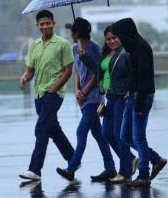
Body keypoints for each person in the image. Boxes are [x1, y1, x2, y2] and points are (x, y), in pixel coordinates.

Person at [56, 17, 117, 182]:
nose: (71, 35)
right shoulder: (75, 48)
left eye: (72, 32)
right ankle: (110, 168)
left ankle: (72, 167)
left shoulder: (95, 48)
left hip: (95, 99)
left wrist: (85, 90)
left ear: (77, 32)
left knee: (81, 131)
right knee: (98, 134)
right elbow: (76, 69)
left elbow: (98, 74)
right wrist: (77, 90)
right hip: (83, 97)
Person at [18, 10, 75, 181]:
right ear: (38, 26)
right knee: (52, 128)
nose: (45, 26)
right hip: (39, 93)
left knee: (41, 129)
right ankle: (73, 158)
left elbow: (68, 70)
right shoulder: (33, 45)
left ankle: (35, 170)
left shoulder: (63, 44)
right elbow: (30, 70)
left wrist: (54, 88)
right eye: (41, 24)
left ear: (54, 23)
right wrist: (24, 77)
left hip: (54, 93)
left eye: (47, 23)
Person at [78, 26, 139, 183]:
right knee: (107, 134)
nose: (112, 41)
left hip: (121, 97)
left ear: (120, 38)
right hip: (109, 97)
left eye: (114, 38)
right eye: (108, 39)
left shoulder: (125, 53)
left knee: (120, 135)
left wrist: (131, 89)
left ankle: (125, 172)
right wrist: (84, 57)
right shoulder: (107, 53)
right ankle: (131, 159)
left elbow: (134, 72)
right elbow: (99, 71)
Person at [111, 18, 167, 187]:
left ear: (127, 33)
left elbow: (144, 77)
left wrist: (139, 104)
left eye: (119, 35)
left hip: (142, 97)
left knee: (138, 137)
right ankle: (156, 159)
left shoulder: (142, 48)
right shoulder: (132, 48)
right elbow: (134, 74)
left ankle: (143, 175)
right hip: (134, 95)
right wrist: (129, 90)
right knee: (124, 136)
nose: (118, 39)